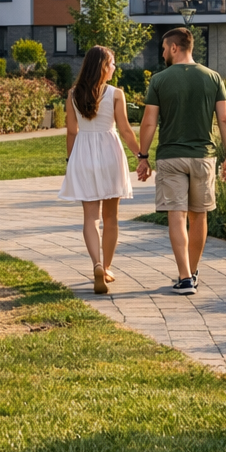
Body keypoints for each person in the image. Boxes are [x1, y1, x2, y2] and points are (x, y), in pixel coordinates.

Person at [136, 27, 226, 296]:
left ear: (174, 48)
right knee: (199, 215)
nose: (162, 52)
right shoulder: (213, 77)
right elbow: (225, 119)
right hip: (203, 157)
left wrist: (143, 156)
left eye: (163, 48)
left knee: (176, 215)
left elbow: (149, 121)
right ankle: (192, 272)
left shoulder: (159, 80)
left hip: (171, 157)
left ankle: (184, 278)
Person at [58, 46, 141, 294]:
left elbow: (72, 132)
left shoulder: (73, 94)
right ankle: (106, 267)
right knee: (111, 218)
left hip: (83, 153)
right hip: (109, 154)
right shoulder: (116, 94)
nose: (115, 67)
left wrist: (71, 161)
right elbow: (125, 130)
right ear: (103, 66)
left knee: (90, 217)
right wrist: (141, 155)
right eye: (112, 63)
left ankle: (95, 263)